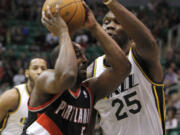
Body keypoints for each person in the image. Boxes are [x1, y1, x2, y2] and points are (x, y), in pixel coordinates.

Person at [21, 4, 130, 135]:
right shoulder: (45, 80)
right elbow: (67, 76)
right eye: (77, 55)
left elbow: (124, 68)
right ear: (59, 61)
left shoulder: (91, 90)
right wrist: (63, 33)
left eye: (85, 55)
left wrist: (95, 27)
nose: (85, 60)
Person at [87, 0, 166, 135]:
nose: (110, 26)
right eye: (106, 22)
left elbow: (149, 43)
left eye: (117, 22)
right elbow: (88, 121)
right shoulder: (92, 71)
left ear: (130, 31)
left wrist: (110, 2)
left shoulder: (140, 57)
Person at [0, 57, 47, 135]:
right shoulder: (13, 96)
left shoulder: (51, 99)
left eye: (43, 69)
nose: (39, 72)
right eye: (35, 68)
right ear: (27, 73)